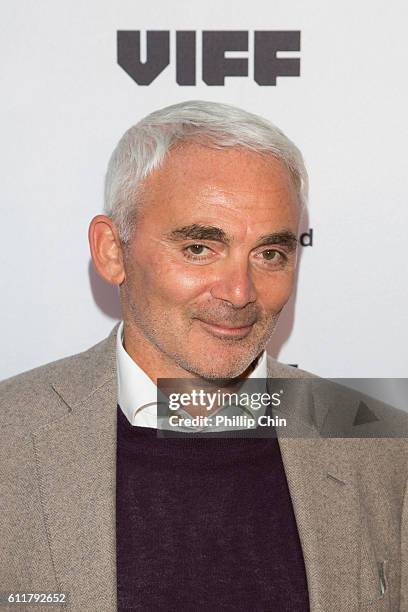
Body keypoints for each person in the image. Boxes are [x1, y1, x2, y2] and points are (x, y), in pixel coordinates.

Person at [1, 100, 407, 612]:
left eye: (270, 254)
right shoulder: (11, 437)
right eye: (199, 248)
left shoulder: (382, 446)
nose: (239, 292)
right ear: (112, 250)